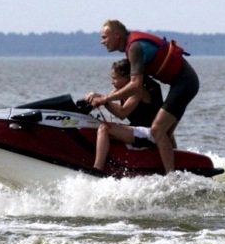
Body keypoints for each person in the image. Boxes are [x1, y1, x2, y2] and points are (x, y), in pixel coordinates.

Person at [91, 19, 199, 174]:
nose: (102, 42)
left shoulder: (134, 48)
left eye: (104, 37)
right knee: (165, 132)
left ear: (117, 35)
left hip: (184, 83)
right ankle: (178, 166)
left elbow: (135, 85)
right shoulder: (131, 48)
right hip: (181, 83)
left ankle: (171, 176)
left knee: (158, 129)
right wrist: (105, 98)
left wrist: (105, 99)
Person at [84, 59, 163, 171]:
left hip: (150, 133)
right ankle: (107, 164)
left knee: (104, 128)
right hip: (137, 130)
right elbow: (104, 98)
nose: (112, 82)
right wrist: (92, 96)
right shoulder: (120, 90)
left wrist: (104, 101)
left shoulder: (139, 91)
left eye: (115, 78)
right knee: (95, 127)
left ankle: (98, 168)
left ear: (127, 78)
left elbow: (122, 112)